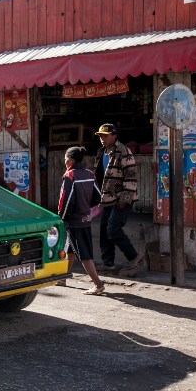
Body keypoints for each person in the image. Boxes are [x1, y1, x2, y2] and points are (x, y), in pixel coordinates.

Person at [93, 123, 144, 272]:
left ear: (114, 136)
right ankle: (108, 263)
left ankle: (134, 256)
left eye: (105, 136)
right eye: (101, 136)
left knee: (113, 229)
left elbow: (131, 177)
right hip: (106, 198)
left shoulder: (123, 152)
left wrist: (125, 198)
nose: (102, 139)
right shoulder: (101, 152)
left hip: (122, 199)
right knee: (104, 230)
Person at [57, 146, 105, 295]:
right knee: (70, 248)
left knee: (84, 254)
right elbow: (98, 197)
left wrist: (61, 217)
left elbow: (66, 200)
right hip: (85, 218)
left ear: (70, 160)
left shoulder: (70, 176)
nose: (64, 161)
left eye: (65, 158)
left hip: (74, 220)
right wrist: (85, 208)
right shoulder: (89, 174)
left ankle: (98, 284)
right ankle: (63, 277)